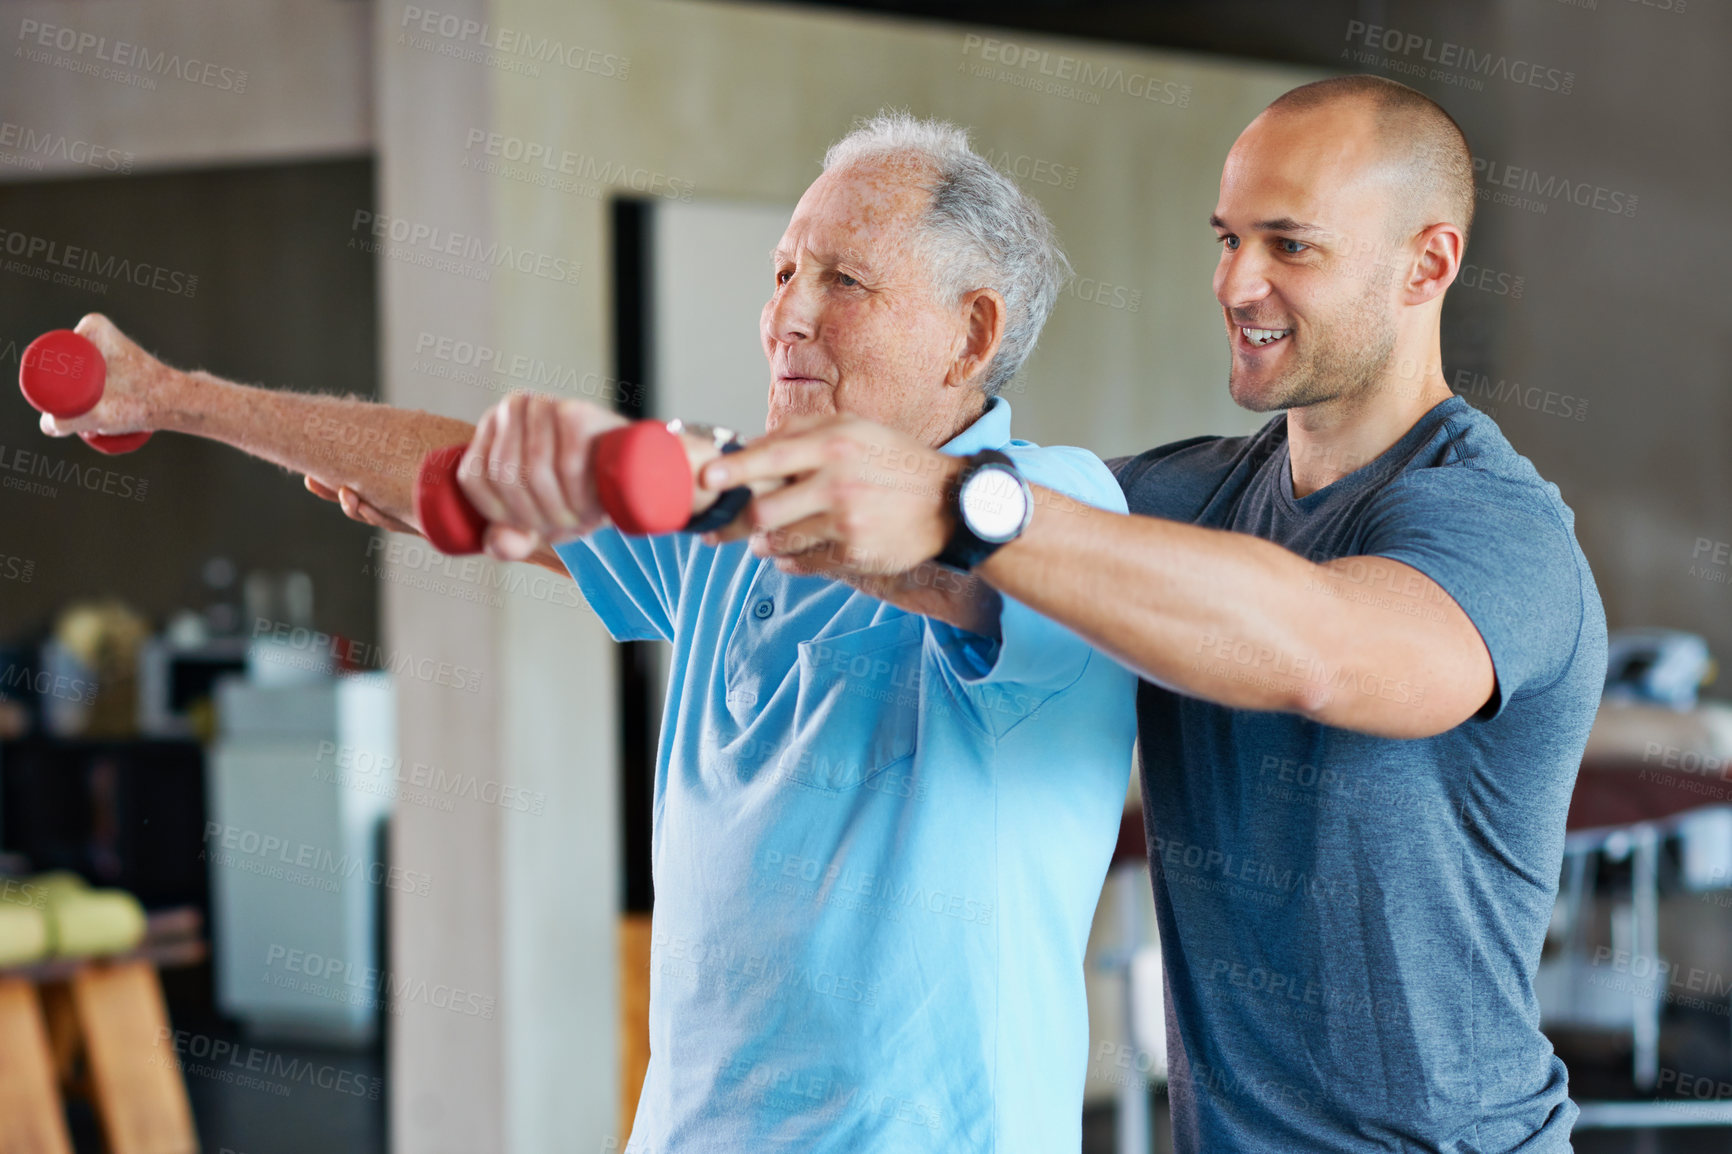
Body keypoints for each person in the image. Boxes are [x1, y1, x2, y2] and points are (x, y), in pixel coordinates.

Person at [41, 114, 1136, 1152]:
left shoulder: (1046, 510)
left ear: (971, 333)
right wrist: (167, 396)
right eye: (784, 273)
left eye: (843, 279)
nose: (790, 314)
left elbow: (920, 544)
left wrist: (650, 470)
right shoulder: (720, 523)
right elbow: (456, 466)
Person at [710, 76, 1607, 1152]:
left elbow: (1323, 648)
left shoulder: (1498, 528)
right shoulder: (1182, 497)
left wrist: (962, 508)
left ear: (1428, 263)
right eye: (1227, 238)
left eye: (1290, 246)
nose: (1237, 281)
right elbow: (946, 548)